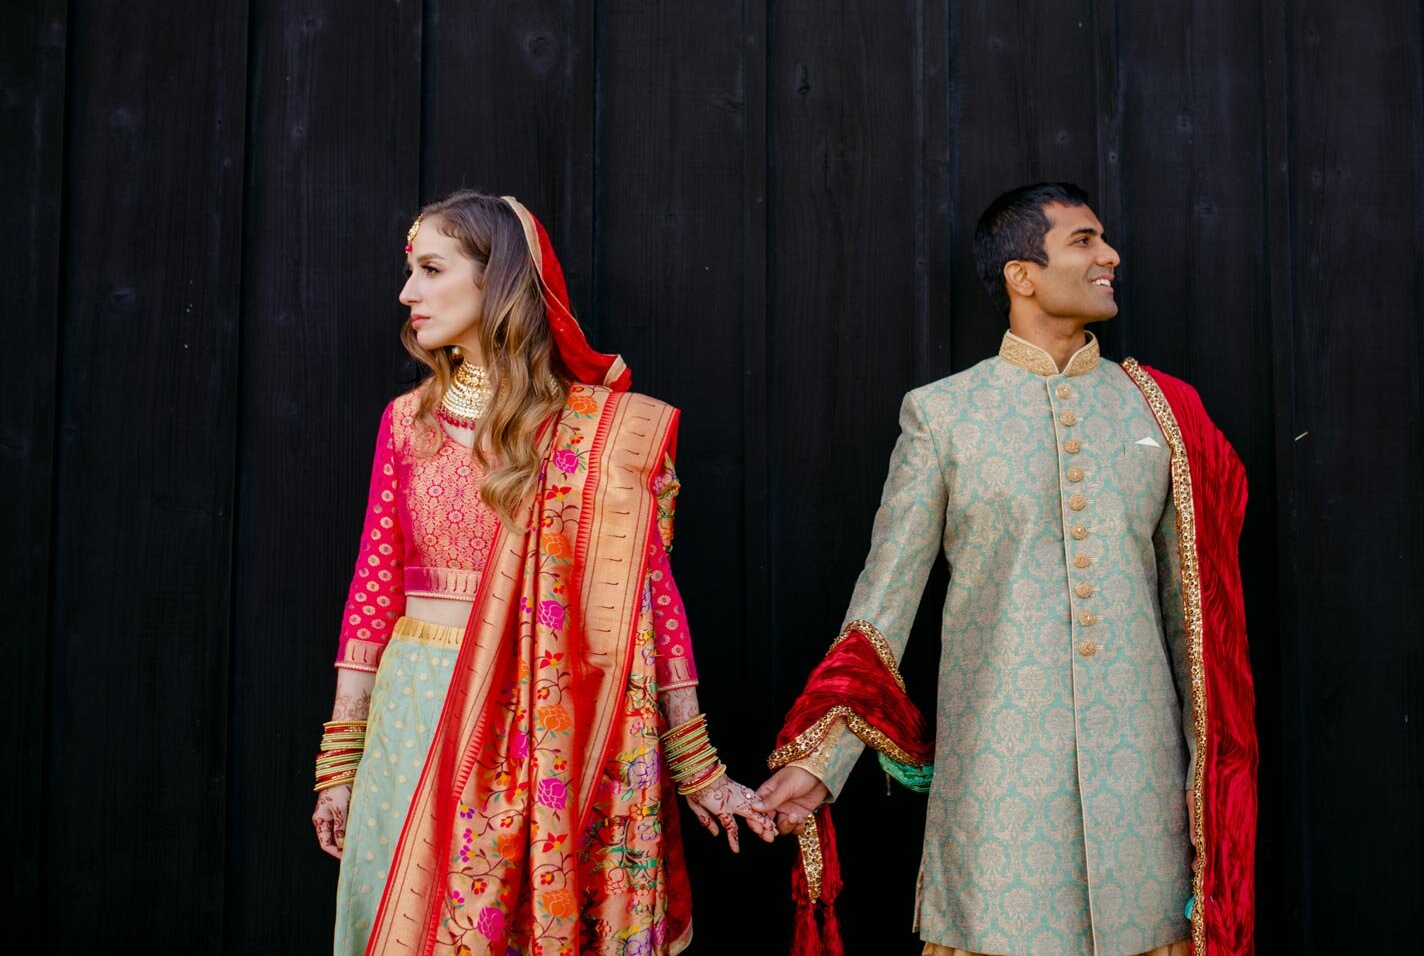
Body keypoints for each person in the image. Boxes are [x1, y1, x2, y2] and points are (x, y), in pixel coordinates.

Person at [757, 182, 1257, 956]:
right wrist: (824, 763)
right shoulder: (945, 415)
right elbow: (882, 604)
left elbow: (1194, 624)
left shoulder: (1154, 411)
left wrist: (1213, 793)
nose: (1109, 255)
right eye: (1084, 241)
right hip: (999, 772)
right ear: (1023, 275)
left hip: (1144, 782)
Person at [311, 190, 773, 956]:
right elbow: (372, 593)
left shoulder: (595, 433)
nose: (407, 293)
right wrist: (340, 760)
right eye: (410, 271)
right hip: (417, 712)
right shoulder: (408, 421)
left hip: (550, 720)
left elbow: (649, 602)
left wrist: (700, 766)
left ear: (496, 281)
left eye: (431, 269)